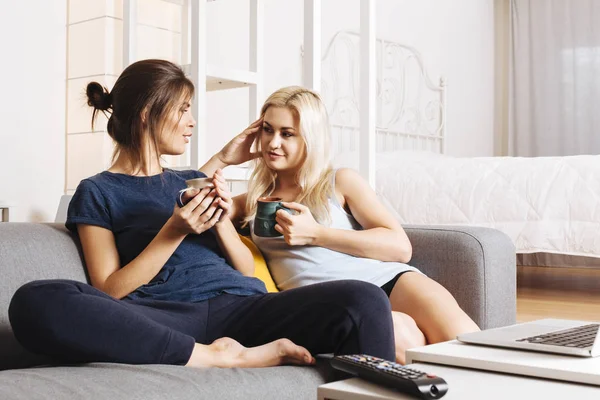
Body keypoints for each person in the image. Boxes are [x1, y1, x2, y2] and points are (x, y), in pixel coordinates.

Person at [8, 60, 397, 368]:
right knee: (35, 301)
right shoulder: (97, 191)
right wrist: (173, 231)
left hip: (244, 307)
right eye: (183, 110)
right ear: (147, 113)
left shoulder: (192, 179)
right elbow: (109, 290)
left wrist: (224, 219)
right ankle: (211, 357)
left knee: (363, 300)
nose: (192, 121)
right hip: (164, 316)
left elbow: (246, 271)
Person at [226, 86, 481, 364]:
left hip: (392, 281)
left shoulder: (340, 182)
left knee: (472, 351)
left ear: (311, 139)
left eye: (287, 134)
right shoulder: (252, 202)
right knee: (405, 342)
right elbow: (178, 200)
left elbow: (399, 247)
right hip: (342, 303)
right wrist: (225, 158)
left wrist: (317, 234)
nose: (273, 143)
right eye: (267, 129)